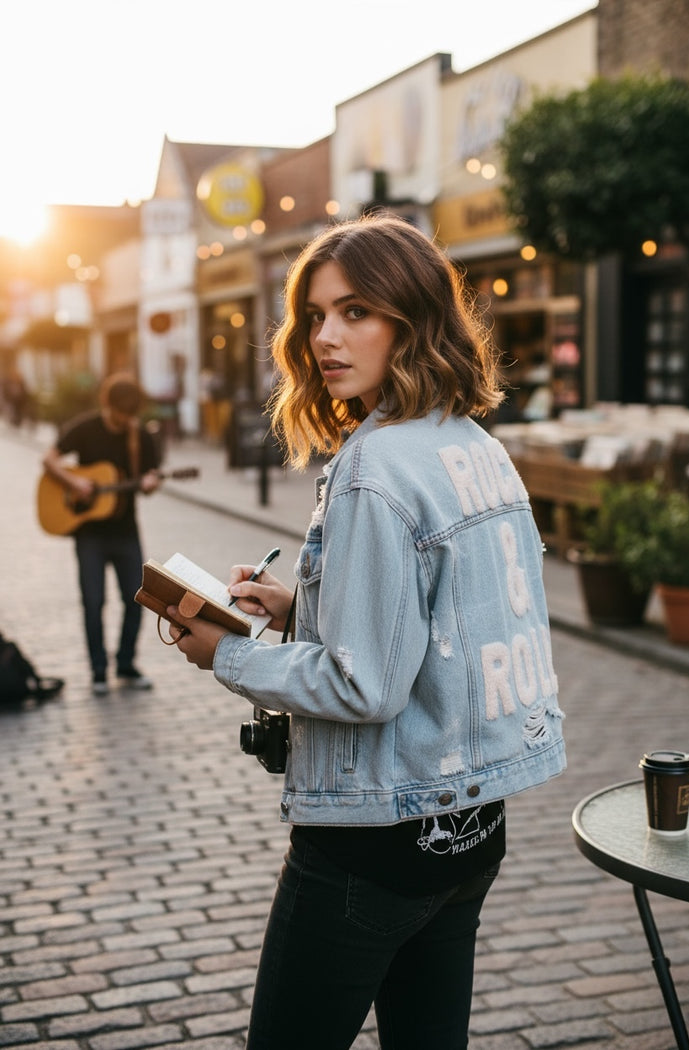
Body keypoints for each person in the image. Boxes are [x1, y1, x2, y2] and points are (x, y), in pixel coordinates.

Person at [166, 215, 566, 1050]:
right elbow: (445, 623)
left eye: (356, 312)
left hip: (370, 846)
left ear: (412, 319)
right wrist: (300, 609)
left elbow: (365, 687)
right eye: (315, 316)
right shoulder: (474, 446)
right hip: (469, 833)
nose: (325, 338)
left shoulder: (374, 468)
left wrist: (227, 653)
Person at [42, 372, 161, 696]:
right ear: (106, 404)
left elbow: (148, 481)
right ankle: (98, 671)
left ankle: (125, 663)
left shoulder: (140, 437)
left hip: (126, 531)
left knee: (136, 599)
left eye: (128, 415)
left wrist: (150, 484)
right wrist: (74, 482)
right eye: (118, 413)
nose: (123, 420)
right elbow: (49, 459)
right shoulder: (86, 428)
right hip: (89, 534)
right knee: (93, 602)